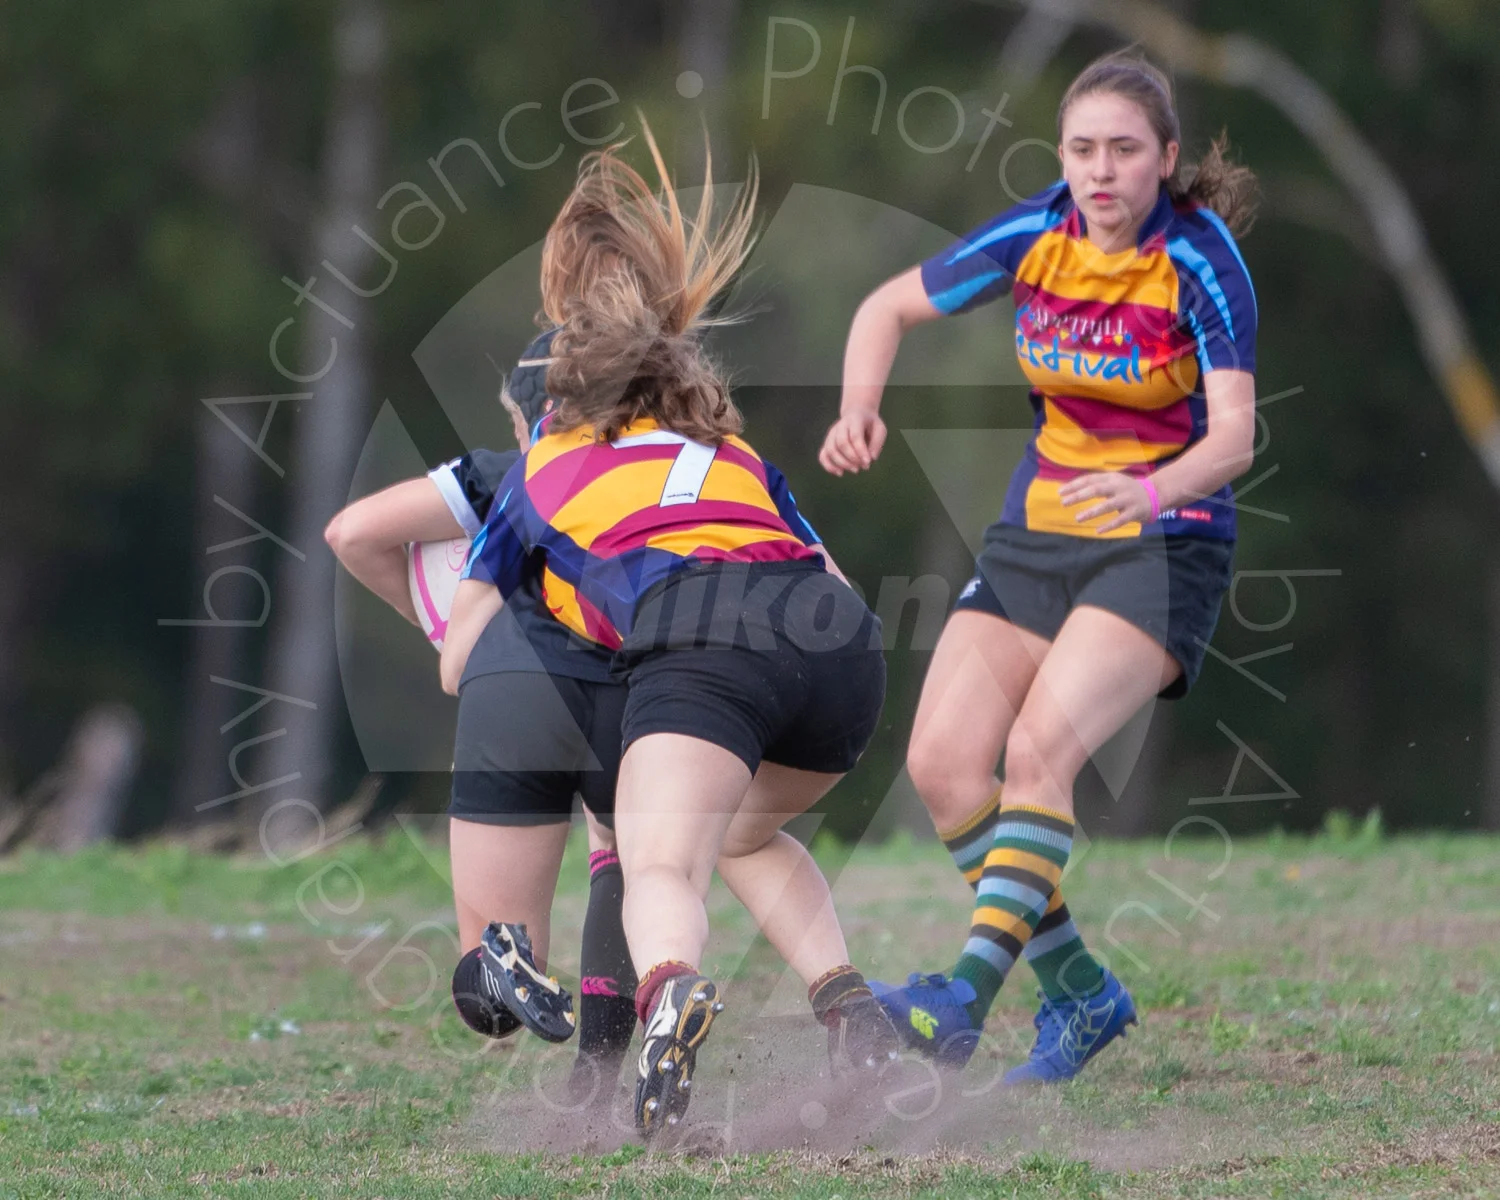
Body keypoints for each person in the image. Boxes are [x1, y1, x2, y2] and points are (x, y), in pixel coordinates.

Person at [819, 48, 1259, 1083]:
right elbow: (885, 307)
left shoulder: (1200, 261)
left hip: (1164, 541)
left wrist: (1150, 491)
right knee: (940, 764)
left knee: (1037, 754)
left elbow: (1235, 438)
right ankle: (1079, 993)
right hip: (1036, 535)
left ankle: (962, 1001)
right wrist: (858, 409)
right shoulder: (1038, 233)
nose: (1100, 171)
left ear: (1166, 158)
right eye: (1082, 150)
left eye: (1123, 150)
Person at [462, 125, 900, 1135]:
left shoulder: (537, 476)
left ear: (553, 404)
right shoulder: (725, 451)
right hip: (842, 645)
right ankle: (851, 1011)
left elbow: (468, 654)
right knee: (743, 828)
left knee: (658, 863)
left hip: (706, 643)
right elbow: (824, 574)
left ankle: (670, 990)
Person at [325, 345, 638, 1092]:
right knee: (623, 862)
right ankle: (596, 1081)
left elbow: (351, 534)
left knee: (487, 996)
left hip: (511, 686)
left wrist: (447, 628)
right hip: (628, 684)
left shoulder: (508, 472)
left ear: (524, 416)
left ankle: (506, 963)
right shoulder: (656, 467)